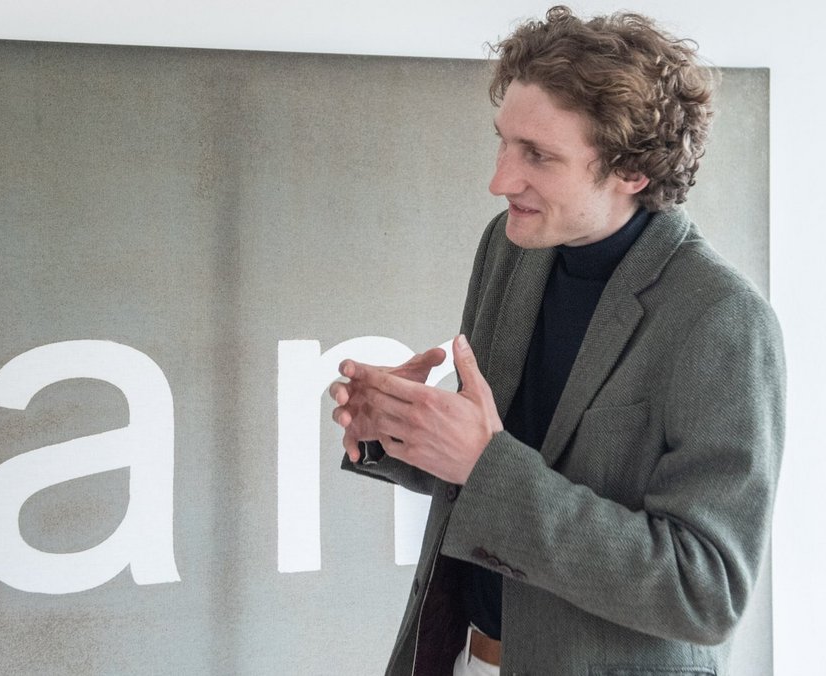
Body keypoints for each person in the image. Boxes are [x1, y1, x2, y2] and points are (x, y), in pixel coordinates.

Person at [331, 7, 784, 675]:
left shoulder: (721, 318)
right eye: (504, 142)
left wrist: (484, 462)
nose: (499, 179)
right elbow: (493, 470)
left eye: (537, 156)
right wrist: (400, 430)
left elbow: (705, 591)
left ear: (632, 171)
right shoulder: (510, 247)